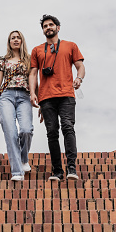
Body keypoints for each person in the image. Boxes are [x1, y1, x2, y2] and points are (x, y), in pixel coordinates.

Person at [29, 14, 86, 181]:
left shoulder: (70, 46)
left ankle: (71, 168)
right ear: (43, 30)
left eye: (51, 25)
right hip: (46, 97)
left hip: (67, 94)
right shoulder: (37, 50)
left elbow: (80, 66)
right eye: (45, 26)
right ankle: (57, 171)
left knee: (68, 127)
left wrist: (79, 78)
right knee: (52, 133)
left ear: (58, 28)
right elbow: (33, 73)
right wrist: (33, 93)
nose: (48, 28)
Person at [0, 31, 34, 181]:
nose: (15, 39)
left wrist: (37, 97)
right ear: (9, 42)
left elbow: (34, 81)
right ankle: (17, 172)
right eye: (12, 38)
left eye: (18, 37)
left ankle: (23, 159)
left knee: (26, 129)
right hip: (6, 96)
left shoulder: (30, 60)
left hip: (24, 96)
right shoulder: (3, 60)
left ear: (22, 40)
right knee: (10, 132)